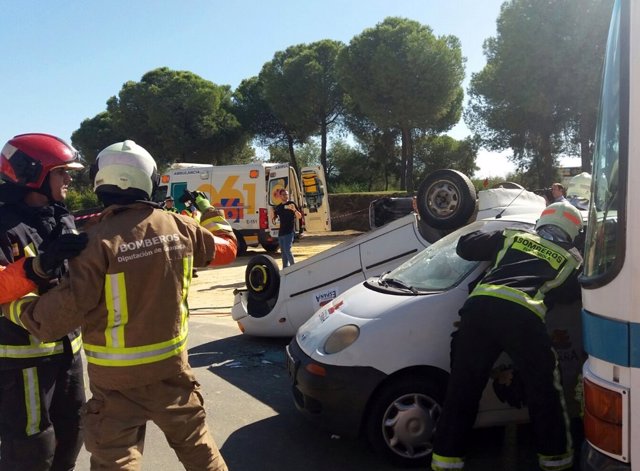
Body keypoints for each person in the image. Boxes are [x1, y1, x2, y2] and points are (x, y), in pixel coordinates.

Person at [3, 140, 236, 471]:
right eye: (62, 174)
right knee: (199, 449)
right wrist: (210, 212)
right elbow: (226, 249)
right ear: (148, 179)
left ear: (102, 183)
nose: (68, 181)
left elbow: (62, 313)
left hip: (114, 383)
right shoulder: (181, 227)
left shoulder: (93, 241)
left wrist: (18, 308)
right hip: (172, 373)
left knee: (115, 460)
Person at [431, 201, 584, 471]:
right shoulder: (573, 259)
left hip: (477, 310)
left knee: (462, 388)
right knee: (545, 390)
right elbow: (569, 295)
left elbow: (465, 246)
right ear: (573, 231)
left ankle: (445, 461)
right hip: (523, 318)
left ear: (542, 221)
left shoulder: (514, 236)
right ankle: (557, 460)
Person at [0, 133, 88, 471]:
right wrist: (37, 266)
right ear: (32, 172)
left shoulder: (62, 218)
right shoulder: (4, 226)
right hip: (22, 364)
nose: (68, 179)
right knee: (32, 450)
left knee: (73, 435)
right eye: (61, 172)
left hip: (67, 357)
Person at [272, 188, 302, 268]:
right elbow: (274, 219)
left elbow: (299, 216)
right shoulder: (278, 207)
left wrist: (294, 210)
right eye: (284, 194)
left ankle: (293, 267)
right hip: (281, 233)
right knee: (283, 252)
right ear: (280, 196)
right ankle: (285, 268)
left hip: (289, 232)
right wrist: (273, 217)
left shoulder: (291, 204)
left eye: (287, 194)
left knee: (287, 250)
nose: (286, 196)